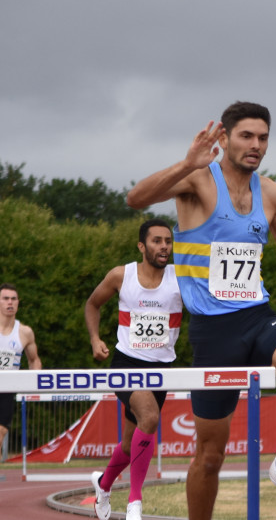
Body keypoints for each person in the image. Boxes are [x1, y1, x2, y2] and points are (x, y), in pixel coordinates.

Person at [125, 101, 276, 520]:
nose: (256, 145)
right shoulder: (198, 180)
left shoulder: (271, 193)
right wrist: (186, 163)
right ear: (225, 138)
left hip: (257, 315)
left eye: (263, 138)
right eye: (246, 136)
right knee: (211, 455)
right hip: (213, 332)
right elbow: (135, 199)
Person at [86, 218, 182, 520]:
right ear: (142, 246)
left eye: (168, 241)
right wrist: (94, 339)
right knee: (150, 417)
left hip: (162, 366)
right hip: (126, 361)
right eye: (157, 241)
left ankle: (103, 486)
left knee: (130, 444)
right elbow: (92, 304)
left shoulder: (181, 279)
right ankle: (135, 501)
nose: (164, 246)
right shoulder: (121, 275)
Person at [0, 283, 42, 452]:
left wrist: (34, 381)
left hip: (7, 389)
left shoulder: (24, 332)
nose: (10, 302)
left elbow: (34, 360)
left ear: (18, 302)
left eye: (13, 299)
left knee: (1, 432)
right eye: (5, 299)